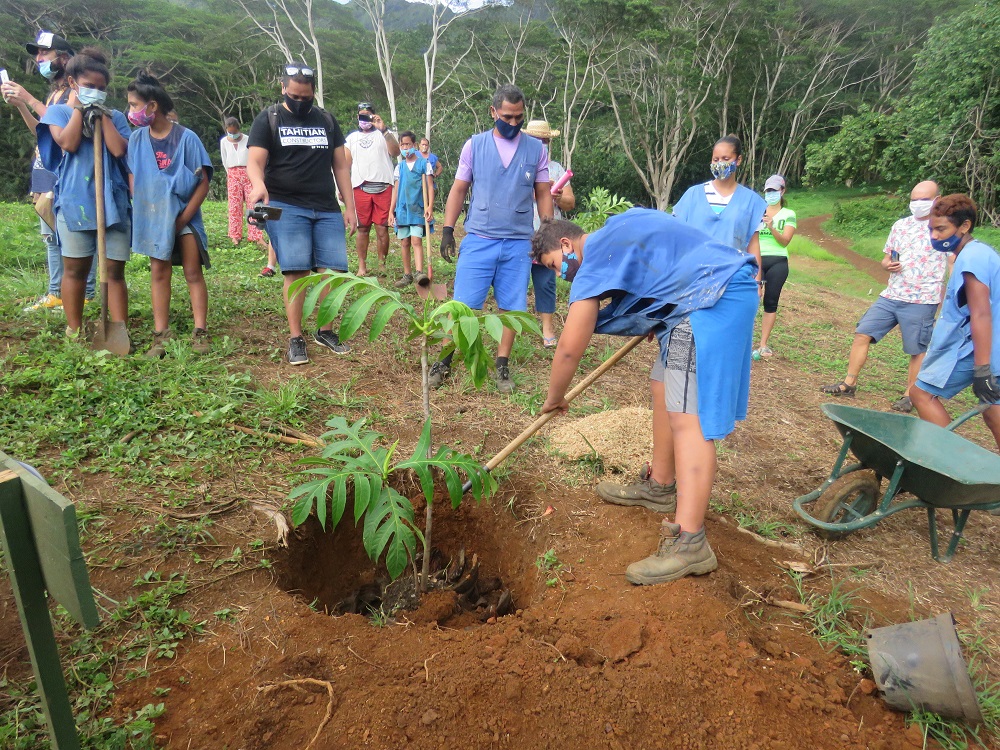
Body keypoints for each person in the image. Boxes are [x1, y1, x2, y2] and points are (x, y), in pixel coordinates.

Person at [536, 209, 759, 584]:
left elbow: (570, 349)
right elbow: (665, 253)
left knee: (689, 420)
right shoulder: (618, 228)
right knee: (663, 384)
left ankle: (690, 542)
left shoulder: (593, 263)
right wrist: (656, 307)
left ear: (565, 244)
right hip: (702, 293)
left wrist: (555, 397)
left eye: (555, 264)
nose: (561, 274)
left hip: (710, 299)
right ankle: (660, 486)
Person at [431, 84, 553, 394]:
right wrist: (448, 229)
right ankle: (444, 360)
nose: (513, 123)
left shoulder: (536, 150)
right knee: (462, 305)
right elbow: (459, 188)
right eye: (507, 117)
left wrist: (547, 231)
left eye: (519, 117)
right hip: (479, 239)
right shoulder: (475, 146)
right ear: (493, 112)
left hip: (518, 242)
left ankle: (502, 365)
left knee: (512, 307)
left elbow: (542, 193)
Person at [246, 62, 357, 365]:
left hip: (325, 207)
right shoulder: (269, 118)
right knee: (296, 273)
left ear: (313, 93)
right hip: (286, 205)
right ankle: (296, 337)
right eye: (294, 96)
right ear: (283, 88)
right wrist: (258, 185)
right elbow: (255, 161)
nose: (299, 101)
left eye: (306, 97)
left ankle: (325, 330)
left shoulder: (326, 120)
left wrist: (349, 207)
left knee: (331, 272)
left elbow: (340, 167)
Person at [821, 181, 945, 412]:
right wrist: (888, 264)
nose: (918, 204)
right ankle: (849, 384)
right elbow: (887, 257)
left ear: (938, 200)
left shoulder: (943, 228)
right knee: (863, 332)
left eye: (924, 200)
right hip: (891, 294)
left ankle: (910, 396)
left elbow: (954, 259)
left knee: (916, 349)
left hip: (922, 299)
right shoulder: (901, 225)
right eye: (914, 200)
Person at [36, 47, 131, 337]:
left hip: (112, 201)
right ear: (72, 82)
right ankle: (74, 329)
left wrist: (102, 116)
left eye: (101, 88)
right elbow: (68, 143)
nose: (96, 92)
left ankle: (119, 329)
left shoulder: (116, 116)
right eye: (90, 86)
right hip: (75, 200)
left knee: (114, 271)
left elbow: (119, 149)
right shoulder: (58, 112)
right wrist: (79, 109)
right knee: (75, 269)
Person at [2, 30, 96, 311]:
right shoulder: (54, 93)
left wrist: (30, 99)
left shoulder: (75, 93)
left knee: (76, 233)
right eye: (38, 54)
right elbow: (42, 132)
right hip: (45, 167)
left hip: (67, 171)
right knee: (51, 236)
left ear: (64, 58)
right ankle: (56, 292)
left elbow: (65, 129)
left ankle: (86, 293)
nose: (39, 59)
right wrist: (22, 105)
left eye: (45, 53)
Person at [126, 73, 213, 357]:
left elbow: (203, 182)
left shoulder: (187, 139)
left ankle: (200, 332)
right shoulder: (137, 140)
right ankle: (160, 335)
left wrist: (183, 219)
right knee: (159, 273)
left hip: (185, 217)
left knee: (192, 272)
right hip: (154, 219)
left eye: (134, 105)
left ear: (152, 106)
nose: (130, 111)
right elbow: (134, 176)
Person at [911, 195, 1000, 447]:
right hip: (993, 346)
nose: (934, 236)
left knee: (921, 393)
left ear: (964, 226)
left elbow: (981, 314)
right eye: (931, 229)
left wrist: (982, 370)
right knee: (993, 409)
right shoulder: (980, 252)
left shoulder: (971, 259)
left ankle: (951, 458)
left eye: (941, 229)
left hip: (980, 348)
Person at [673, 134, 765, 274]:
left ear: (738, 160)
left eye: (725, 159)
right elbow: (676, 236)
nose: (719, 163)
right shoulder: (692, 195)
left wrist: (757, 281)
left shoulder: (752, 201)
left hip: (733, 276)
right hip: (694, 275)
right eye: (716, 160)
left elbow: (753, 245)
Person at [525, 119, 575, 348]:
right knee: (517, 281)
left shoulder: (556, 169)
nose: (541, 144)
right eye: (536, 140)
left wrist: (557, 196)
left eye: (544, 140)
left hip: (547, 235)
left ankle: (547, 328)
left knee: (545, 282)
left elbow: (570, 203)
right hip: (522, 233)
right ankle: (515, 326)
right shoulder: (520, 166)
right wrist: (538, 193)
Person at [345, 102, 399, 277]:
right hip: (360, 187)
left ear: (374, 116)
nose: (365, 119)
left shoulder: (384, 135)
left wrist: (384, 129)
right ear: (357, 117)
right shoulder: (351, 138)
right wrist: (342, 189)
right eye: (361, 115)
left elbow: (396, 152)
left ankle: (382, 265)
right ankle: (362, 266)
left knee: (382, 228)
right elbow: (345, 165)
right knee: (363, 228)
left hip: (383, 186)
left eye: (368, 115)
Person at [753, 174, 797, 358]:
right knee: (751, 298)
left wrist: (771, 227)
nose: (770, 194)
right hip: (756, 259)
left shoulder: (789, 214)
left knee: (770, 302)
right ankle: (743, 338)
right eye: (768, 191)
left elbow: (785, 241)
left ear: (782, 191)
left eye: (774, 190)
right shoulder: (757, 212)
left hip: (778, 261)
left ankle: (763, 344)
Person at [388, 131, 433, 288]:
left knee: (416, 240)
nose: (405, 148)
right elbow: (395, 190)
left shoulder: (424, 164)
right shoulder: (399, 167)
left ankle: (419, 272)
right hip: (402, 210)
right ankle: (407, 274)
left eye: (408, 144)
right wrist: (391, 211)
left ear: (415, 145)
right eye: (402, 145)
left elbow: (430, 187)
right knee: (405, 241)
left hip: (418, 209)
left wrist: (430, 206)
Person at [219, 117, 263, 247]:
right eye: (230, 132)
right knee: (234, 206)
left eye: (234, 132)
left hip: (248, 172)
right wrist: (231, 174)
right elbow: (224, 160)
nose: (233, 134)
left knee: (253, 204)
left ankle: (256, 236)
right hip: (233, 174)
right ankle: (235, 235)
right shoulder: (224, 142)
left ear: (239, 129)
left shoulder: (248, 139)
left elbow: (253, 158)